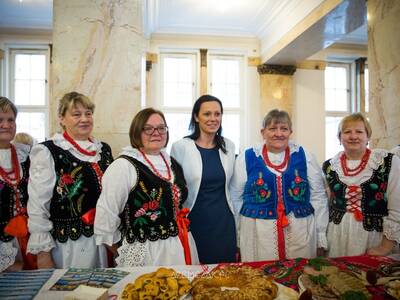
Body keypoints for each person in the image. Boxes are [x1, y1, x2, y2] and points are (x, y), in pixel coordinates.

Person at [94, 108, 199, 267]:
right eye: (148, 128)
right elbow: (105, 219)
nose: (156, 133)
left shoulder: (172, 163)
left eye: (161, 128)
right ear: (137, 132)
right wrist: (123, 253)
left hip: (180, 246)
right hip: (145, 253)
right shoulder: (123, 166)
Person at [27, 92, 113, 269]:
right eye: (76, 114)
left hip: (103, 240)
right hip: (70, 244)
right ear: (61, 119)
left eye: (88, 113)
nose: (84, 119)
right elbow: (37, 203)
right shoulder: (48, 151)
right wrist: (43, 253)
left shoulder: (103, 149)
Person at [231, 109, 329, 262]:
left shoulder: (305, 156)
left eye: (284, 129)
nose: (278, 133)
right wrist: (237, 233)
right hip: (257, 232)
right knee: (261, 277)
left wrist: (320, 233)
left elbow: (318, 196)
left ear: (290, 132)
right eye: (272, 129)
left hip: (300, 230)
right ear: (263, 132)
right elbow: (235, 197)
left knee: (299, 274)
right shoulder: (247, 157)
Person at [170, 95, 237, 264]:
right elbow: (174, 187)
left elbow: (233, 187)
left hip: (224, 221)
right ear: (196, 117)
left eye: (217, 114)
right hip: (194, 220)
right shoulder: (181, 147)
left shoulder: (229, 146)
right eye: (207, 114)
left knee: (224, 275)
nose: (213, 119)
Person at [323, 113, 400, 257]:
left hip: (375, 237)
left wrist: (385, 246)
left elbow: (397, 207)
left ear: (368, 136)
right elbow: (325, 205)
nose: (353, 136)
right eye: (347, 132)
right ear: (340, 138)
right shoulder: (329, 166)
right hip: (338, 237)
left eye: (359, 131)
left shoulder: (387, 162)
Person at [0, 97, 36, 272]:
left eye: (10, 120)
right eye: (0, 120)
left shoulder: (26, 155)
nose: (6, 125)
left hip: (29, 236)